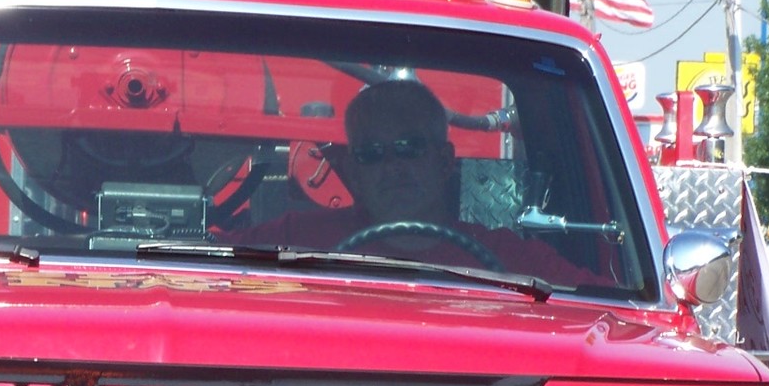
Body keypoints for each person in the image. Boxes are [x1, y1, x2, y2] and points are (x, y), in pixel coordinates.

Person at [231, 78, 602, 287]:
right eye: (372, 153)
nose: (393, 167)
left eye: (409, 148)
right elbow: (209, 264)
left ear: (444, 161)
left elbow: (604, 308)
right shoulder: (295, 240)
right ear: (355, 172)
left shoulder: (511, 259)